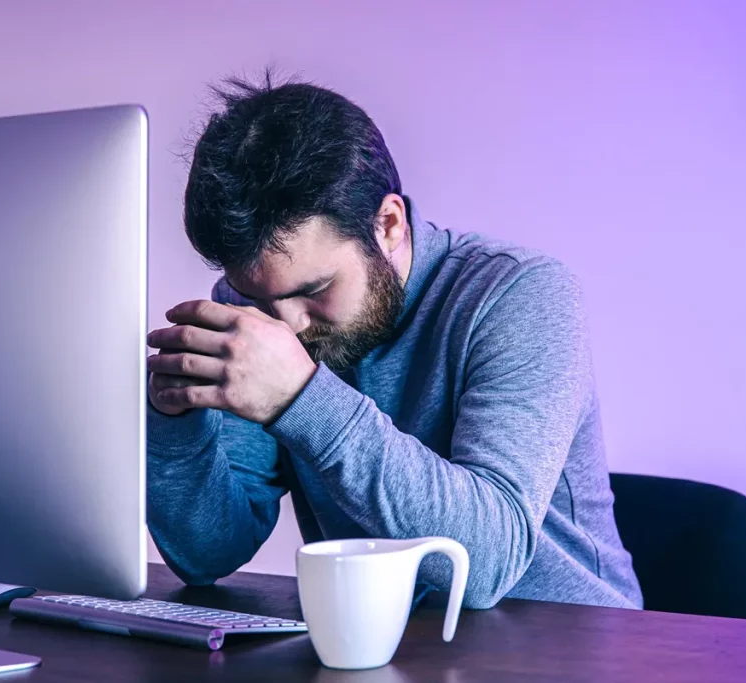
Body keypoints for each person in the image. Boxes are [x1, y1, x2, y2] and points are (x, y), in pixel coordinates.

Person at [145, 72, 642, 610]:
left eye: (315, 289)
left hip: (567, 646)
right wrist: (177, 424)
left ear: (387, 224)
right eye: (260, 299)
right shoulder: (258, 308)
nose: (286, 326)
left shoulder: (522, 294)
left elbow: (485, 565)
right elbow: (209, 556)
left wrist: (300, 397)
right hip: (375, 642)